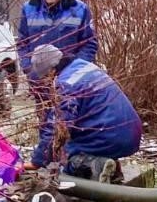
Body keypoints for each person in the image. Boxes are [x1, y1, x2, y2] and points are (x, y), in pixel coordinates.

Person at [23, 44, 142, 183]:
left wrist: (37, 161)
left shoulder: (66, 84)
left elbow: (57, 129)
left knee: (66, 160)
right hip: (130, 133)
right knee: (78, 136)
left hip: (110, 138)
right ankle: (111, 166)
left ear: (51, 71)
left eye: (44, 77)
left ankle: (96, 166)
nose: (46, 81)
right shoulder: (83, 65)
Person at [17, 0, 98, 81]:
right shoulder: (28, 9)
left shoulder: (80, 10)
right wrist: (29, 70)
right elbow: (22, 43)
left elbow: (89, 43)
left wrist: (76, 70)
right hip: (39, 79)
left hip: (70, 77)